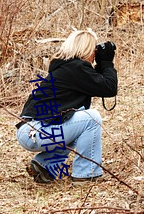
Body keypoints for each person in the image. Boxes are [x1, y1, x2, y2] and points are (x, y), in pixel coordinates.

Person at [16, 29, 118, 184]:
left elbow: (98, 83)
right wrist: (106, 62)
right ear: (85, 49)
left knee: (76, 124)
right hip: (35, 132)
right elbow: (109, 87)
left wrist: (102, 63)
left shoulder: (68, 68)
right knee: (91, 118)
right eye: (93, 49)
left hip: (31, 131)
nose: (94, 53)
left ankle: (44, 166)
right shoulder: (76, 68)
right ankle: (86, 174)